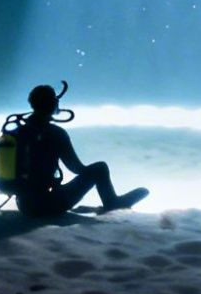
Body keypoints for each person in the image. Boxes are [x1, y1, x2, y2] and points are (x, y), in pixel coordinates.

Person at [11, 83, 147, 217]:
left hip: (24, 205)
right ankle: (112, 204)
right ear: (53, 104)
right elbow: (76, 168)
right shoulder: (56, 133)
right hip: (48, 205)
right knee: (100, 168)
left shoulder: (17, 132)